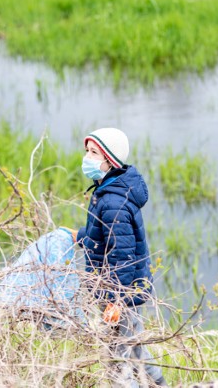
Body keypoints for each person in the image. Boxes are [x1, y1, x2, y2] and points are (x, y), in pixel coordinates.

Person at [68, 127, 167, 387]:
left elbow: (122, 257)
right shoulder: (111, 191)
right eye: (86, 151)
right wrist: (78, 236)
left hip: (119, 292)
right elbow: (106, 239)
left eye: (93, 153)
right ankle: (159, 385)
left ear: (109, 161)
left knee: (117, 359)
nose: (86, 158)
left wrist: (116, 300)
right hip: (123, 290)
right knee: (134, 347)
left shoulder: (114, 202)